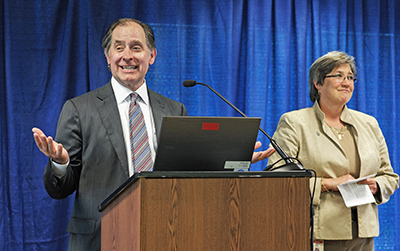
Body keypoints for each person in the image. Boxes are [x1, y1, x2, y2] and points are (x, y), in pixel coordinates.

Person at [32, 18, 274, 250]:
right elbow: (59, 189)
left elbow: (190, 171)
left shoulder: (174, 109)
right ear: (108, 57)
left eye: (136, 47)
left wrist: (232, 160)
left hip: (167, 233)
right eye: (119, 48)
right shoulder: (79, 109)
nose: (127, 55)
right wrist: (60, 163)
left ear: (152, 56)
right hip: (102, 239)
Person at [267, 51, 399, 251]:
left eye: (350, 77)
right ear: (318, 84)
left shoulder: (369, 123)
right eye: (338, 75)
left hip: (364, 234)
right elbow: (277, 181)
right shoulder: (295, 123)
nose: (346, 82)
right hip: (318, 233)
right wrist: (329, 184)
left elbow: (390, 176)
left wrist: (376, 185)